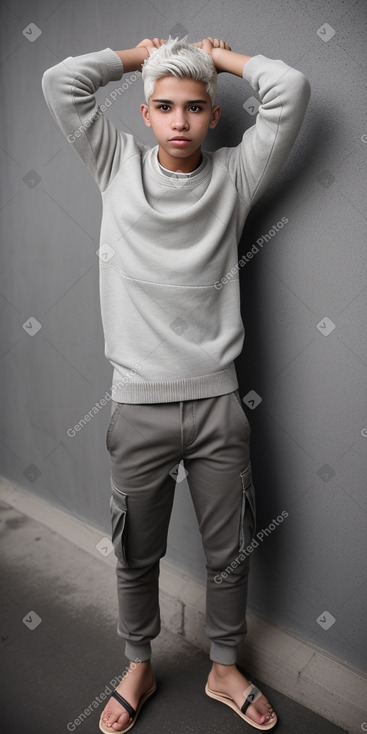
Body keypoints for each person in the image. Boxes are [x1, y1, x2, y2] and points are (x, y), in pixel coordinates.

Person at [42, 35, 310, 732]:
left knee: (231, 550)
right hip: (137, 408)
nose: (180, 120)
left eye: (195, 107)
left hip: (219, 404)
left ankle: (224, 667)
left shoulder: (234, 178)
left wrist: (224, 61)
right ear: (144, 114)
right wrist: (135, 54)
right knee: (136, 551)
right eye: (165, 106)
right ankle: (138, 662)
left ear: (214, 116)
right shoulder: (114, 166)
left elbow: (291, 91)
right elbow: (62, 80)